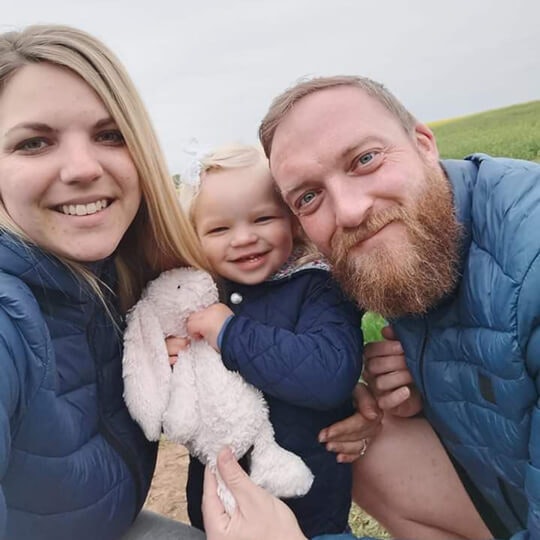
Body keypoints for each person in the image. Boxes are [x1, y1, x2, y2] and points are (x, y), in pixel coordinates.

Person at [201, 75, 540, 540]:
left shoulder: (530, 255)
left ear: (423, 143)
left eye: (364, 160)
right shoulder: (403, 242)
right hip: (507, 490)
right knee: (360, 445)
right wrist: (423, 392)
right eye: (309, 196)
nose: (349, 210)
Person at [0, 24, 210, 540]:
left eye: (110, 134)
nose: (82, 168)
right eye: (33, 142)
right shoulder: (9, 318)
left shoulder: (118, 280)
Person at [173, 143, 366, 537]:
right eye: (220, 228)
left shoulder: (317, 286)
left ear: (292, 221)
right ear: (195, 237)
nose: (243, 238)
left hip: (313, 518)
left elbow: (329, 374)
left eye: (262, 218)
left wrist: (228, 332)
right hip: (219, 518)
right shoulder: (201, 296)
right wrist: (171, 361)